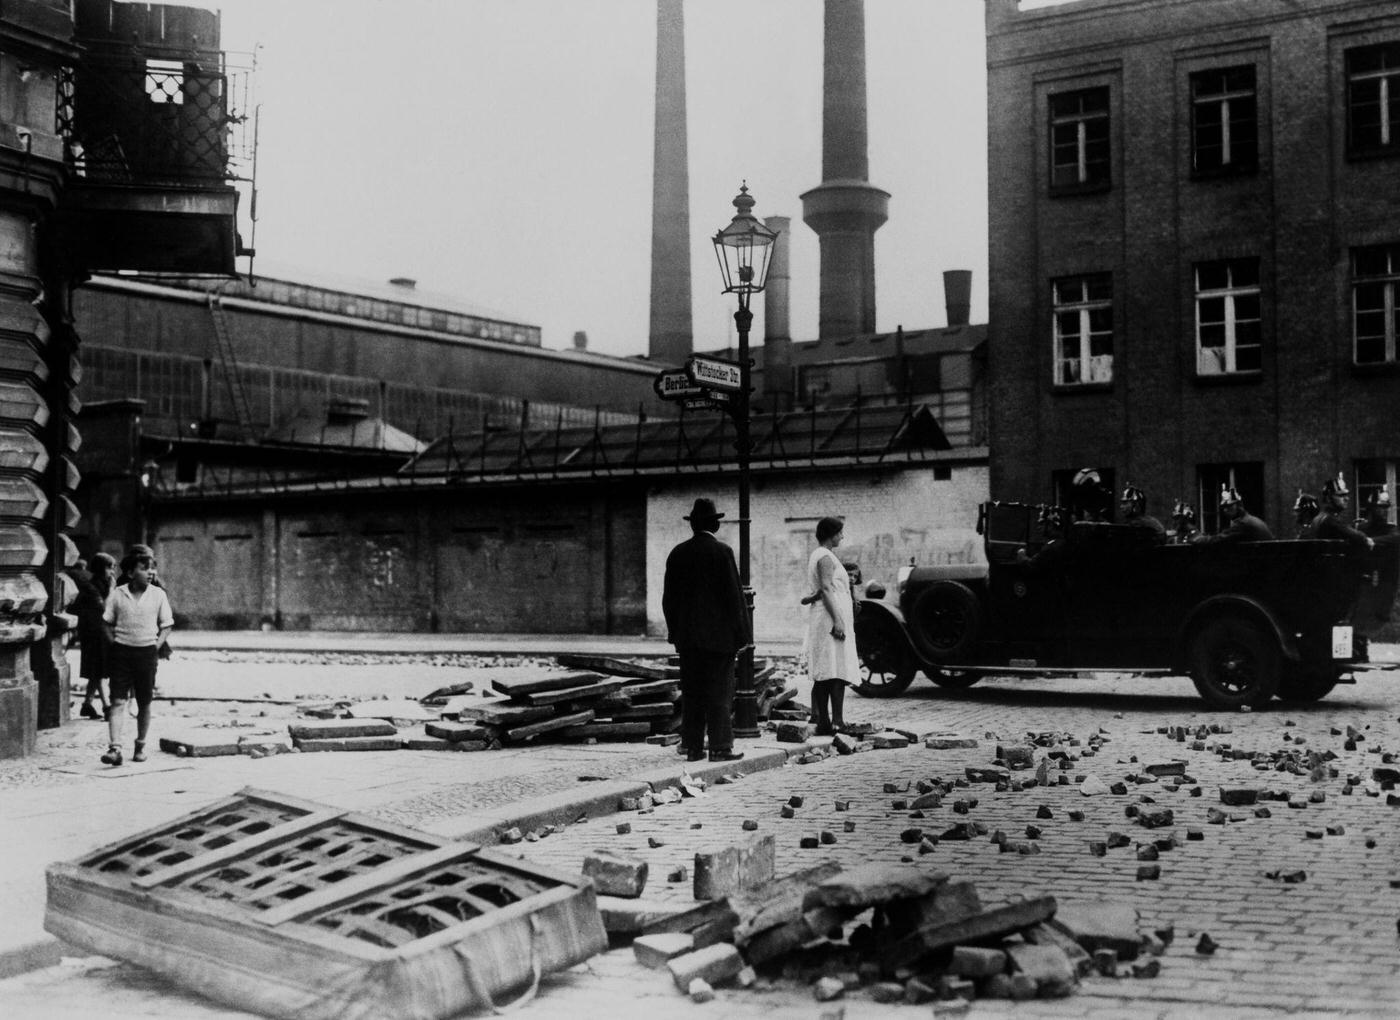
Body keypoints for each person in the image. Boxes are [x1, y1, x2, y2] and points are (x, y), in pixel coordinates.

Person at [661, 498, 749, 764]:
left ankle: (693, 747)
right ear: (715, 524)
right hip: (719, 640)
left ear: (693, 526)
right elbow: (734, 597)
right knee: (719, 693)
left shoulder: (677, 553)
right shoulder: (722, 552)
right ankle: (720, 747)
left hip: (688, 640)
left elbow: (669, 600)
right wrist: (742, 635)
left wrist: (675, 632)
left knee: (693, 693)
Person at [100, 547, 174, 767]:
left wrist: (155, 646)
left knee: (144, 702)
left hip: (146, 654)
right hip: (121, 654)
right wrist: (113, 644)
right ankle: (115, 748)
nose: (150, 573)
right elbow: (105, 622)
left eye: (153, 569)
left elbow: (167, 625)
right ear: (131, 573)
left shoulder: (158, 595)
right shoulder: (117, 594)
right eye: (145, 569)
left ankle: (140, 745)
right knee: (117, 700)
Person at [802, 518, 861, 736]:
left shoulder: (820, 555)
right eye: (840, 533)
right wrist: (838, 619)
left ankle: (826, 721)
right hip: (829, 617)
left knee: (828, 669)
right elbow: (826, 589)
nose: (842, 537)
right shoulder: (825, 556)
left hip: (826, 615)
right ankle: (835, 720)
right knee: (835, 670)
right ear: (831, 533)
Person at [74, 552, 116, 720]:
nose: (112, 572)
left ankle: (87, 704)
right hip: (93, 632)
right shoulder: (90, 586)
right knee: (98, 669)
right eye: (109, 568)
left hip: (101, 631)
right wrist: (112, 590)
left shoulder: (102, 584)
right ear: (100, 568)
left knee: (96, 669)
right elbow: (105, 608)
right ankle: (107, 707)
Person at [1311, 474, 1373, 552]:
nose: (1347, 498)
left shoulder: (1320, 516)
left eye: (1346, 495)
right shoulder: (1330, 519)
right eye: (1341, 495)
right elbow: (1358, 537)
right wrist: (1366, 539)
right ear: (1328, 498)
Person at [1194, 486, 1273, 543]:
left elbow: (1219, 539)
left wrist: (1199, 539)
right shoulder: (1249, 519)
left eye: (1229, 506)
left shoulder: (1243, 523)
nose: (1225, 510)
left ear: (1239, 506)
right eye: (1224, 507)